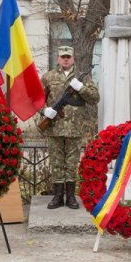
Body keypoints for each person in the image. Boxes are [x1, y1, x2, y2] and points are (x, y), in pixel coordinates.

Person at [41, 46, 100, 209]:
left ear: (73, 58)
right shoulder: (48, 77)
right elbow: (38, 99)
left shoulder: (83, 78)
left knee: (72, 163)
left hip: (75, 128)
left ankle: (71, 197)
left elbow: (95, 98)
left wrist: (81, 88)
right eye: (63, 57)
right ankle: (58, 197)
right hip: (55, 127)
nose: (65, 59)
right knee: (56, 162)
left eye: (68, 56)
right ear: (58, 58)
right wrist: (44, 110)